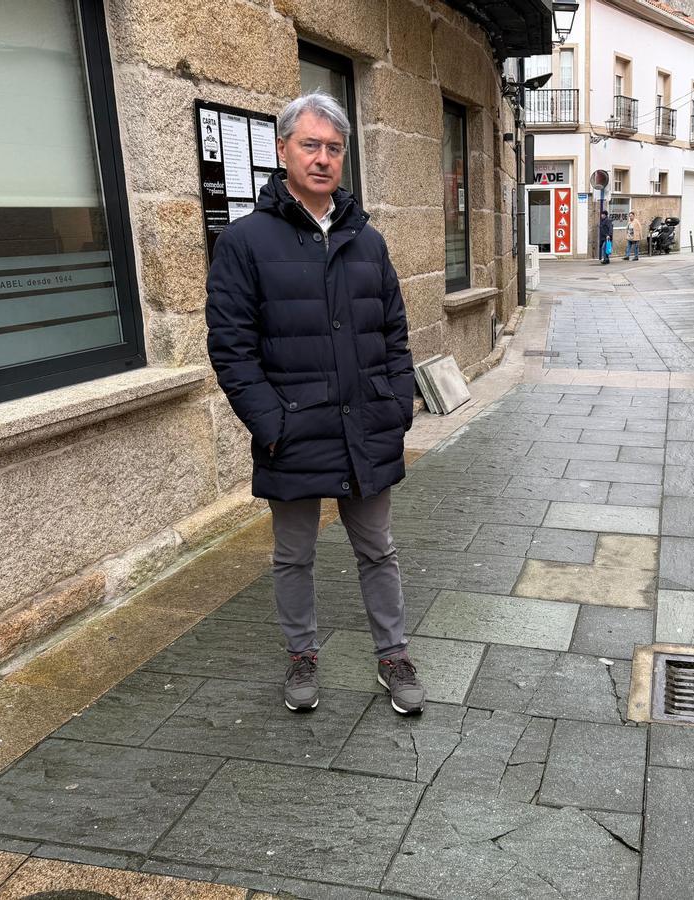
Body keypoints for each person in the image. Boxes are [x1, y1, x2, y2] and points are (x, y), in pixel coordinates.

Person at [206, 92, 425, 717]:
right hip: (293, 432)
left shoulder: (367, 241)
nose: (323, 158)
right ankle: (301, 654)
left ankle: (393, 654)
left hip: (366, 426)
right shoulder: (245, 243)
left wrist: (397, 403)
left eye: (333, 148)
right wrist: (271, 425)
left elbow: (394, 333)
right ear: (283, 152)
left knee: (378, 549)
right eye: (310, 145)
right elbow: (232, 348)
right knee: (292, 555)